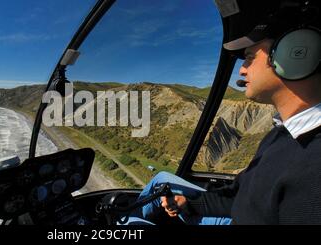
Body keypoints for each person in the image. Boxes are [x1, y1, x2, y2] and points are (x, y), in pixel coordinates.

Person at [132, 2, 321, 225]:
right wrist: (190, 203)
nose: (241, 70)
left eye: (250, 57)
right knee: (161, 179)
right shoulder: (281, 133)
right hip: (238, 215)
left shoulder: (313, 172)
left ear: (296, 52)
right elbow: (242, 195)